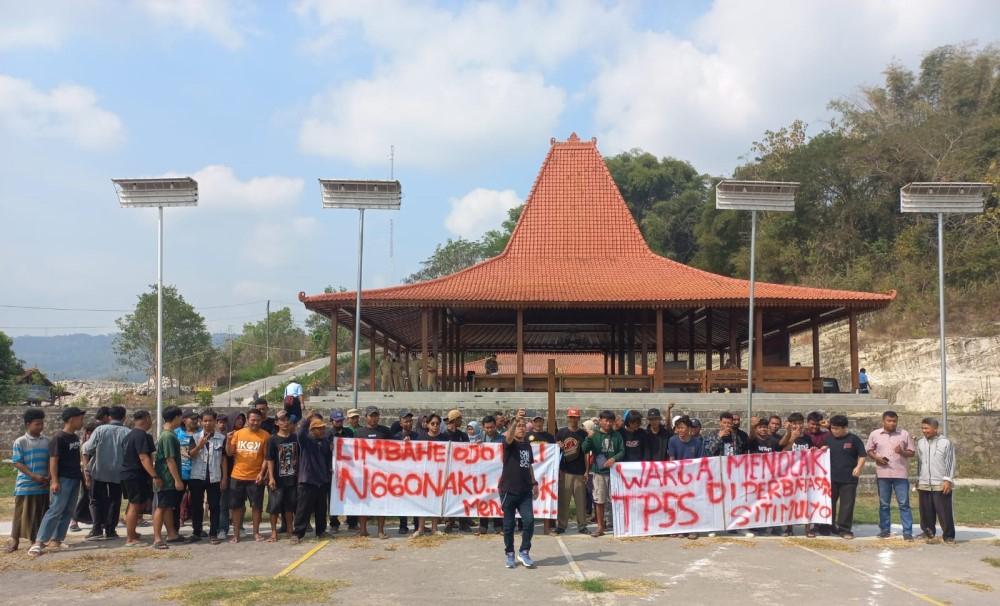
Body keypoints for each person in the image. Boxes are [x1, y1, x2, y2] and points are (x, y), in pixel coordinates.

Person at [28, 407, 86, 556]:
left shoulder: (74, 437)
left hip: (75, 478)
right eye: (80, 418)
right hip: (63, 478)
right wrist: (54, 481)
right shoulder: (58, 438)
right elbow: (53, 461)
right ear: (72, 419)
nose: (82, 422)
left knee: (68, 511)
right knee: (55, 510)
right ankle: (39, 542)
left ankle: (57, 539)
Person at [81, 404, 130, 541]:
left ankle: (96, 529)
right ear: (124, 417)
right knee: (115, 500)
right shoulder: (127, 432)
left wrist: (86, 470)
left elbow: (87, 448)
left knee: (95, 500)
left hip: (99, 470)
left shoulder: (100, 430)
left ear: (109, 417)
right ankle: (110, 530)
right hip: (118, 472)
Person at [866, 410, 916, 540]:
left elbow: (912, 453)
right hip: (883, 474)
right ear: (883, 421)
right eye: (889, 421)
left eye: (894, 421)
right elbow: (869, 450)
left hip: (901, 474)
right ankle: (885, 530)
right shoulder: (875, 434)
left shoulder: (904, 434)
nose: (892, 423)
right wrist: (877, 458)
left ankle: (907, 532)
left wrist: (902, 452)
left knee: (904, 504)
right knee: (884, 504)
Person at [7, 408, 50, 553]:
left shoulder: (47, 441)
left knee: (39, 513)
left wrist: (48, 476)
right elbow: (17, 462)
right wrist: (33, 476)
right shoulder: (20, 441)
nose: (40, 427)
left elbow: (51, 461)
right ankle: (14, 541)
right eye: (37, 424)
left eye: (42, 424)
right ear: (28, 424)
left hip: (43, 484)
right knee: (20, 514)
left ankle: (35, 541)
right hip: (25, 484)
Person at [226, 408, 269, 543]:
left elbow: (266, 458)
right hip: (237, 476)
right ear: (248, 421)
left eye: (257, 420)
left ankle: (256, 533)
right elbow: (229, 453)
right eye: (252, 420)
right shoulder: (238, 434)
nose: (255, 422)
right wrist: (228, 441)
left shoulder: (265, 436)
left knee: (256, 507)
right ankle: (236, 534)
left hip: (255, 477)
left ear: (261, 420)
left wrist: (262, 474)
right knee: (236, 507)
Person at [500, 418, 538, 569]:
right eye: (519, 426)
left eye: (523, 426)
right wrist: (515, 420)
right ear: (513, 428)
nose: (522, 428)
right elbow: (508, 438)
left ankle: (524, 551)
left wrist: (534, 482)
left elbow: (529, 465)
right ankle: (509, 553)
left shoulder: (527, 445)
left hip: (525, 491)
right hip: (508, 491)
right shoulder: (508, 443)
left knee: (529, 521)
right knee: (509, 526)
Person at [581, 410, 623, 537]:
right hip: (599, 473)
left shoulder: (617, 435)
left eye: (611, 421)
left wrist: (613, 458)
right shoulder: (595, 435)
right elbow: (584, 449)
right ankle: (600, 526)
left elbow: (622, 451)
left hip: (615, 472)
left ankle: (617, 525)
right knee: (599, 500)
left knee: (615, 499)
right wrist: (589, 438)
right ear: (600, 421)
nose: (608, 423)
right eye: (606, 420)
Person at [824, 415, 866, 540]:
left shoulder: (854, 439)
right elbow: (823, 451)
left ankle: (844, 529)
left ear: (844, 428)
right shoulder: (829, 439)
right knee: (829, 503)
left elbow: (863, 455)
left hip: (849, 479)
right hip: (831, 478)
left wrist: (858, 467)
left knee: (846, 505)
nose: (834, 431)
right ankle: (829, 526)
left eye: (837, 429)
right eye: (832, 428)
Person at [189, 409, 227, 545]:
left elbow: (223, 459)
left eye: (210, 420)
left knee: (214, 506)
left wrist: (224, 478)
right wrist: (199, 445)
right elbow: (191, 454)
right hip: (197, 476)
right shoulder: (194, 437)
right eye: (205, 420)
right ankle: (196, 531)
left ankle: (213, 533)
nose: (207, 423)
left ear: (215, 421)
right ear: (201, 421)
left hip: (214, 477)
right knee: (196, 506)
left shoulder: (222, 437)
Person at [293, 413, 332, 544]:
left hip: (322, 480)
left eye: (323, 428)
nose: (322, 430)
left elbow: (327, 459)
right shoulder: (306, 440)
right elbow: (300, 432)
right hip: (307, 480)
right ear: (312, 430)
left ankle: (321, 531)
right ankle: (298, 534)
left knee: (321, 509)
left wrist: (328, 471)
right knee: (303, 509)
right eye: (319, 428)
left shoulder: (326, 442)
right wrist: (306, 419)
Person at [916, 417, 956, 543]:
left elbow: (950, 462)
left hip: (940, 483)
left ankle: (948, 536)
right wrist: (918, 478)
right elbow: (920, 462)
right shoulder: (921, 443)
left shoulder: (945, 443)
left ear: (935, 429)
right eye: (922, 428)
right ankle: (928, 532)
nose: (924, 431)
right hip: (924, 483)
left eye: (926, 428)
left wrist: (947, 480)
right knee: (926, 511)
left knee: (944, 511)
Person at [356, 406, 394, 538]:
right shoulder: (359, 432)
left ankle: (380, 531)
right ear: (365, 417)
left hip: (381, 473)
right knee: (363, 501)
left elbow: (394, 448)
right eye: (371, 415)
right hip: (364, 473)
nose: (374, 418)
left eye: (376, 415)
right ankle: (363, 530)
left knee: (381, 502)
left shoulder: (385, 431)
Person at [121, 410, 157, 547]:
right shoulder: (141, 436)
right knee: (134, 506)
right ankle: (130, 538)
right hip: (135, 474)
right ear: (147, 419)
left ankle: (133, 532)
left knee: (134, 504)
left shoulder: (128, 436)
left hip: (128, 474)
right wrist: (154, 475)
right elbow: (144, 457)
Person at [152, 405, 185, 549]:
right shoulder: (167, 436)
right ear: (176, 417)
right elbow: (170, 459)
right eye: (180, 417)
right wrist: (177, 480)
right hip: (166, 478)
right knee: (161, 506)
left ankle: (172, 534)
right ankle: (157, 538)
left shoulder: (169, 434)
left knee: (167, 507)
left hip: (168, 478)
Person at [413, 414, 448, 537]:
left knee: (436, 501)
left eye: (437, 424)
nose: (435, 426)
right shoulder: (420, 438)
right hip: (423, 475)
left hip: (439, 475)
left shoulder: (444, 439)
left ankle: (434, 528)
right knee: (422, 501)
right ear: (427, 424)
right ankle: (420, 528)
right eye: (432, 423)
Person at [266, 411, 299, 542]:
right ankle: (274, 532)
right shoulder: (272, 439)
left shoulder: (295, 438)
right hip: (277, 479)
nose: (285, 422)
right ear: (276, 422)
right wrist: (271, 477)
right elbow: (270, 459)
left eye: (287, 420)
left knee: (290, 506)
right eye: (282, 420)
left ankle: (290, 530)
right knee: (274, 507)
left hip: (292, 478)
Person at [555, 408, 588, 535]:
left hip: (579, 471)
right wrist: (558, 445)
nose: (573, 419)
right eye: (571, 417)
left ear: (578, 418)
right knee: (563, 500)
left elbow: (586, 454)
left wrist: (586, 470)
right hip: (565, 470)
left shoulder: (583, 434)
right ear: (568, 418)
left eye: (575, 417)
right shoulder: (561, 433)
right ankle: (562, 525)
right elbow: (554, 452)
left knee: (580, 500)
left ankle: (582, 525)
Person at [172, 411, 199, 535]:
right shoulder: (176, 433)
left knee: (196, 502)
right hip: (180, 473)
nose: (194, 421)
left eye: (196, 418)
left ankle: (197, 530)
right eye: (191, 418)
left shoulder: (201, 433)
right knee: (176, 503)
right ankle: (174, 529)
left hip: (196, 473)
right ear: (184, 420)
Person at [477, 415, 505, 535]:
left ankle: (498, 526)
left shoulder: (502, 439)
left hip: (498, 473)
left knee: (497, 498)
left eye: (491, 427)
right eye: (487, 427)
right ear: (483, 427)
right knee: (484, 497)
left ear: (495, 426)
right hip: (483, 475)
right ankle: (483, 525)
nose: (489, 430)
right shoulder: (479, 439)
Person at [70, 420, 99, 532]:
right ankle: (74, 520)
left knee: (91, 498)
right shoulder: (85, 445)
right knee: (83, 497)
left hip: (95, 473)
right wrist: (87, 477)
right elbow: (84, 462)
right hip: (85, 473)